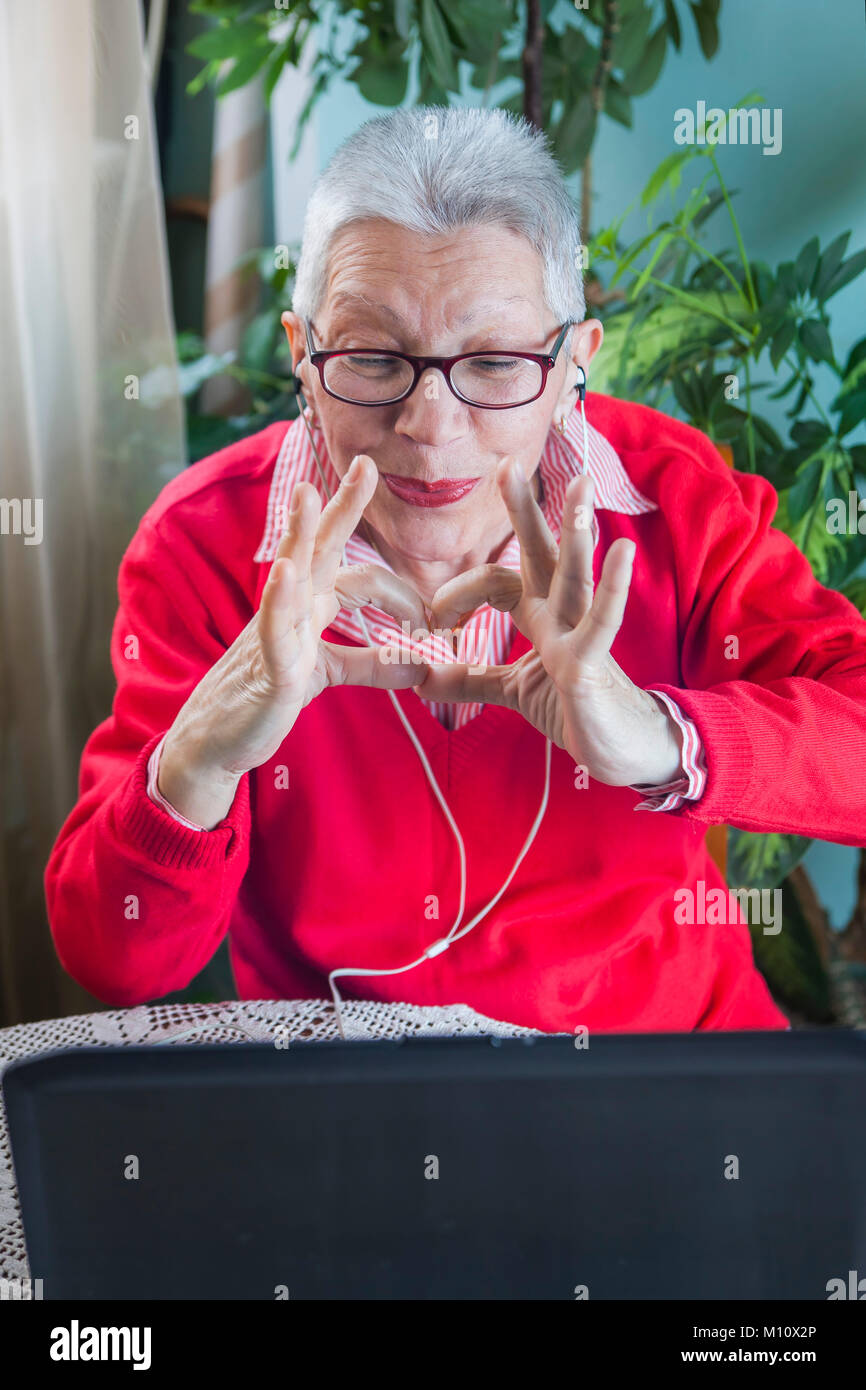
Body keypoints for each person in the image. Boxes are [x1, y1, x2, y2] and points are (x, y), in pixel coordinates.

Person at [45, 107, 866, 1033]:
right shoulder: (203, 543)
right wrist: (201, 760)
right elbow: (112, 957)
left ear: (571, 368)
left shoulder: (674, 501)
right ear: (302, 359)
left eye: (495, 361)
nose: (432, 428)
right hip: (352, 1101)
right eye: (371, 357)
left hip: (667, 1074)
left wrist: (661, 738)